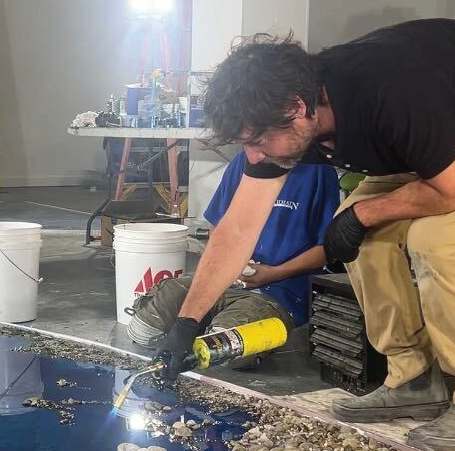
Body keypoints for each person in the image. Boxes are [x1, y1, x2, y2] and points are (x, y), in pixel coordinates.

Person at [150, 19, 455, 451]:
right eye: (246, 143)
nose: (253, 156)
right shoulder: (280, 124)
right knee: (361, 240)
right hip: (440, 122)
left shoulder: (390, 91)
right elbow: (237, 227)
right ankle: (413, 379)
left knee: (440, 240)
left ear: (298, 108)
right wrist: (187, 323)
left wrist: (364, 211)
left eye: (258, 140)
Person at [126, 151, 340, 369]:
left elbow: (326, 249)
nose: (255, 152)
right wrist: (232, 265)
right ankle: (211, 321)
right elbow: (219, 228)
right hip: (229, 280)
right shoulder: (244, 161)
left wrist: (274, 272)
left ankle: (222, 325)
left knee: (225, 352)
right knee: (143, 332)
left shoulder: (318, 171)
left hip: (281, 291)